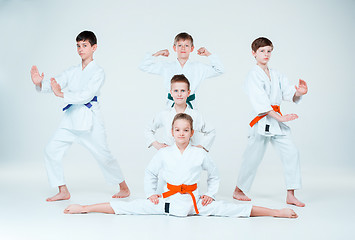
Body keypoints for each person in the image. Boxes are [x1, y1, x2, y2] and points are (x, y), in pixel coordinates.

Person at [64, 113, 298, 219]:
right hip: (166, 201)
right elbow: (150, 173)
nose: (182, 133)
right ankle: (85, 208)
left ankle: (277, 212)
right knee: (130, 207)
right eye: (177, 130)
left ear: (191, 133)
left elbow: (214, 176)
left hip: (195, 202)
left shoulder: (199, 153)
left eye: (186, 130)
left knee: (232, 210)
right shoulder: (164, 153)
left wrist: (210, 195)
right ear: (172, 133)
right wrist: (152, 195)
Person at [30, 30, 130, 201]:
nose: (80, 49)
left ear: (94, 47)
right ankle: (63, 190)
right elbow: (56, 82)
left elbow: (86, 94)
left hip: (90, 119)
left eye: (84, 45)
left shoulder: (98, 71)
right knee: (51, 150)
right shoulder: (73, 71)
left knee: (103, 155)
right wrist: (40, 83)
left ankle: (124, 187)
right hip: (71, 118)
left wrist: (62, 94)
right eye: (78, 46)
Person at [233, 37, 308, 207]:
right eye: (262, 51)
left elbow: (288, 92)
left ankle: (291, 194)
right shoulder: (253, 75)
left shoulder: (276, 74)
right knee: (253, 157)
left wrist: (299, 92)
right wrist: (281, 117)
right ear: (254, 53)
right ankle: (238, 190)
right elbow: (260, 101)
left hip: (276, 120)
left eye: (268, 51)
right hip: (261, 120)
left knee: (292, 152)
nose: (266, 54)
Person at [139, 32, 224, 108]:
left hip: (190, 107)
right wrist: (158, 54)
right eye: (180, 45)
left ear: (191, 48)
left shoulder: (198, 67)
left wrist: (208, 54)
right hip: (171, 107)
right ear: (174, 48)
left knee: (190, 125)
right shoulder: (167, 66)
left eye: (186, 45)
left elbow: (219, 70)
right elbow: (144, 66)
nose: (183, 48)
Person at [144, 74, 215, 152]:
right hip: (169, 156)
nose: (179, 94)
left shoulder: (195, 115)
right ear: (171, 93)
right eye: (176, 91)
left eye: (183, 91)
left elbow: (211, 131)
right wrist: (156, 144)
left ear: (188, 93)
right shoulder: (164, 114)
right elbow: (148, 128)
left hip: (189, 157)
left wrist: (201, 147)